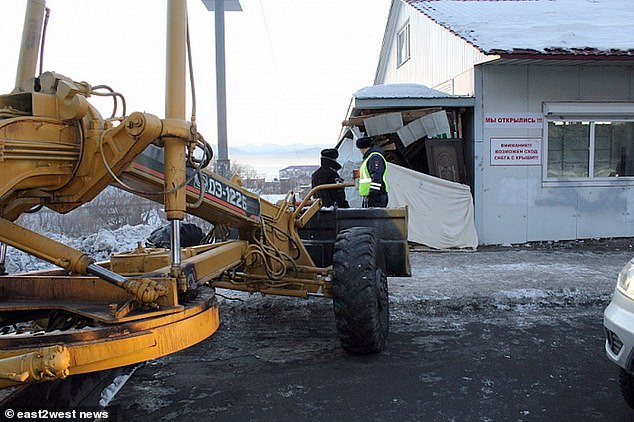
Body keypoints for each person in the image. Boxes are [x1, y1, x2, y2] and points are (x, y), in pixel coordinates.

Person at [355, 136, 388, 207]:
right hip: (371, 196)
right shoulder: (370, 157)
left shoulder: (374, 158)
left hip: (375, 197)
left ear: (362, 149)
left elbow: (376, 176)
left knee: (374, 217)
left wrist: (373, 194)